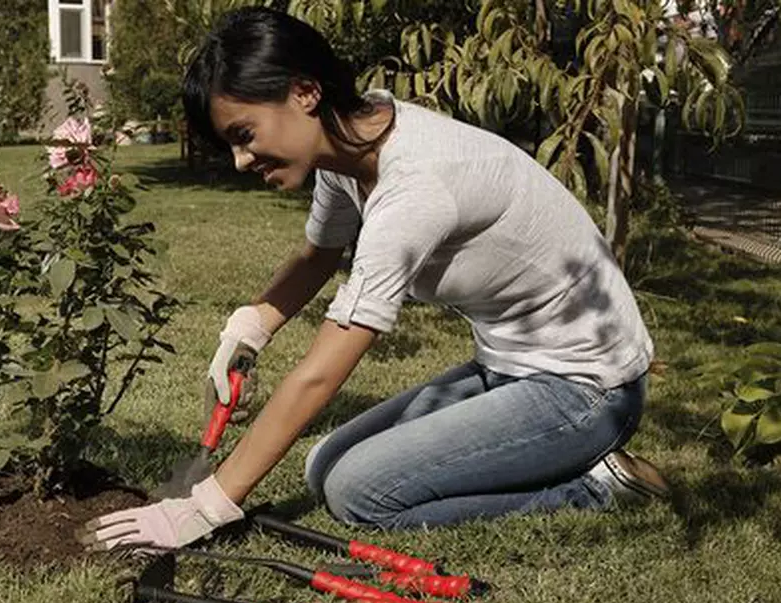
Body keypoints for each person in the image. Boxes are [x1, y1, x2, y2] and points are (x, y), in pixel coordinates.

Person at [78, 7, 669, 552]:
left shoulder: (414, 187)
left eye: (244, 134)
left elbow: (322, 371)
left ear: (305, 93)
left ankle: (594, 486)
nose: (239, 160)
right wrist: (249, 328)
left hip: (588, 390)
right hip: (508, 367)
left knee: (360, 493)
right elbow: (318, 255)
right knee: (323, 466)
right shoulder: (355, 143)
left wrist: (208, 505)